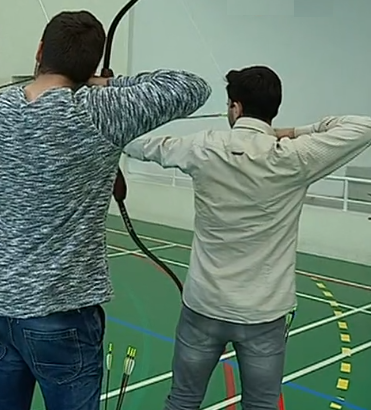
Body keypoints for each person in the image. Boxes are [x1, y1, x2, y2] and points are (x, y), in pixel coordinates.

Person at [0, 10, 211, 410]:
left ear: (39, 50)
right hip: (63, 313)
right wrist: (108, 83)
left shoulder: (0, 110)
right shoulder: (101, 109)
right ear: (89, 67)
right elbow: (193, 87)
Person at [122, 65, 371, 410]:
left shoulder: (204, 146)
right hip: (263, 314)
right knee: (260, 405)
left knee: (182, 401)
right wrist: (293, 132)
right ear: (274, 108)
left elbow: (138, 143)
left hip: (203, 307)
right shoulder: (295, 156)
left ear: (235, 108)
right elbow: (364, 126)